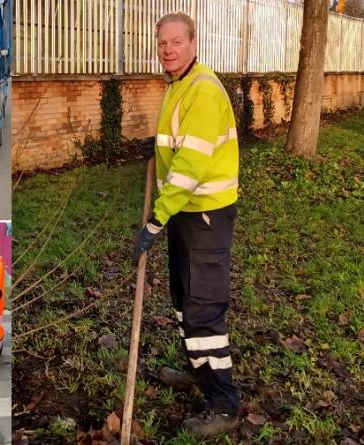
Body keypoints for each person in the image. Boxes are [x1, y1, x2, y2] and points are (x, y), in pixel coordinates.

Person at [133, 12, 241, 436]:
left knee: (203, 309)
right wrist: (156, 144)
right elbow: (182, 144)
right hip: (186, 212)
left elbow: (191, 166)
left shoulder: (203, 90)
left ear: (194, 43)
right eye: (162, 43)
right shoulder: (179, 85)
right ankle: (200, 372)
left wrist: (155, 221)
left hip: (204, 215)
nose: (168, 50)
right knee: (184, 298)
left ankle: (224, 403)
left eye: (176, 42)